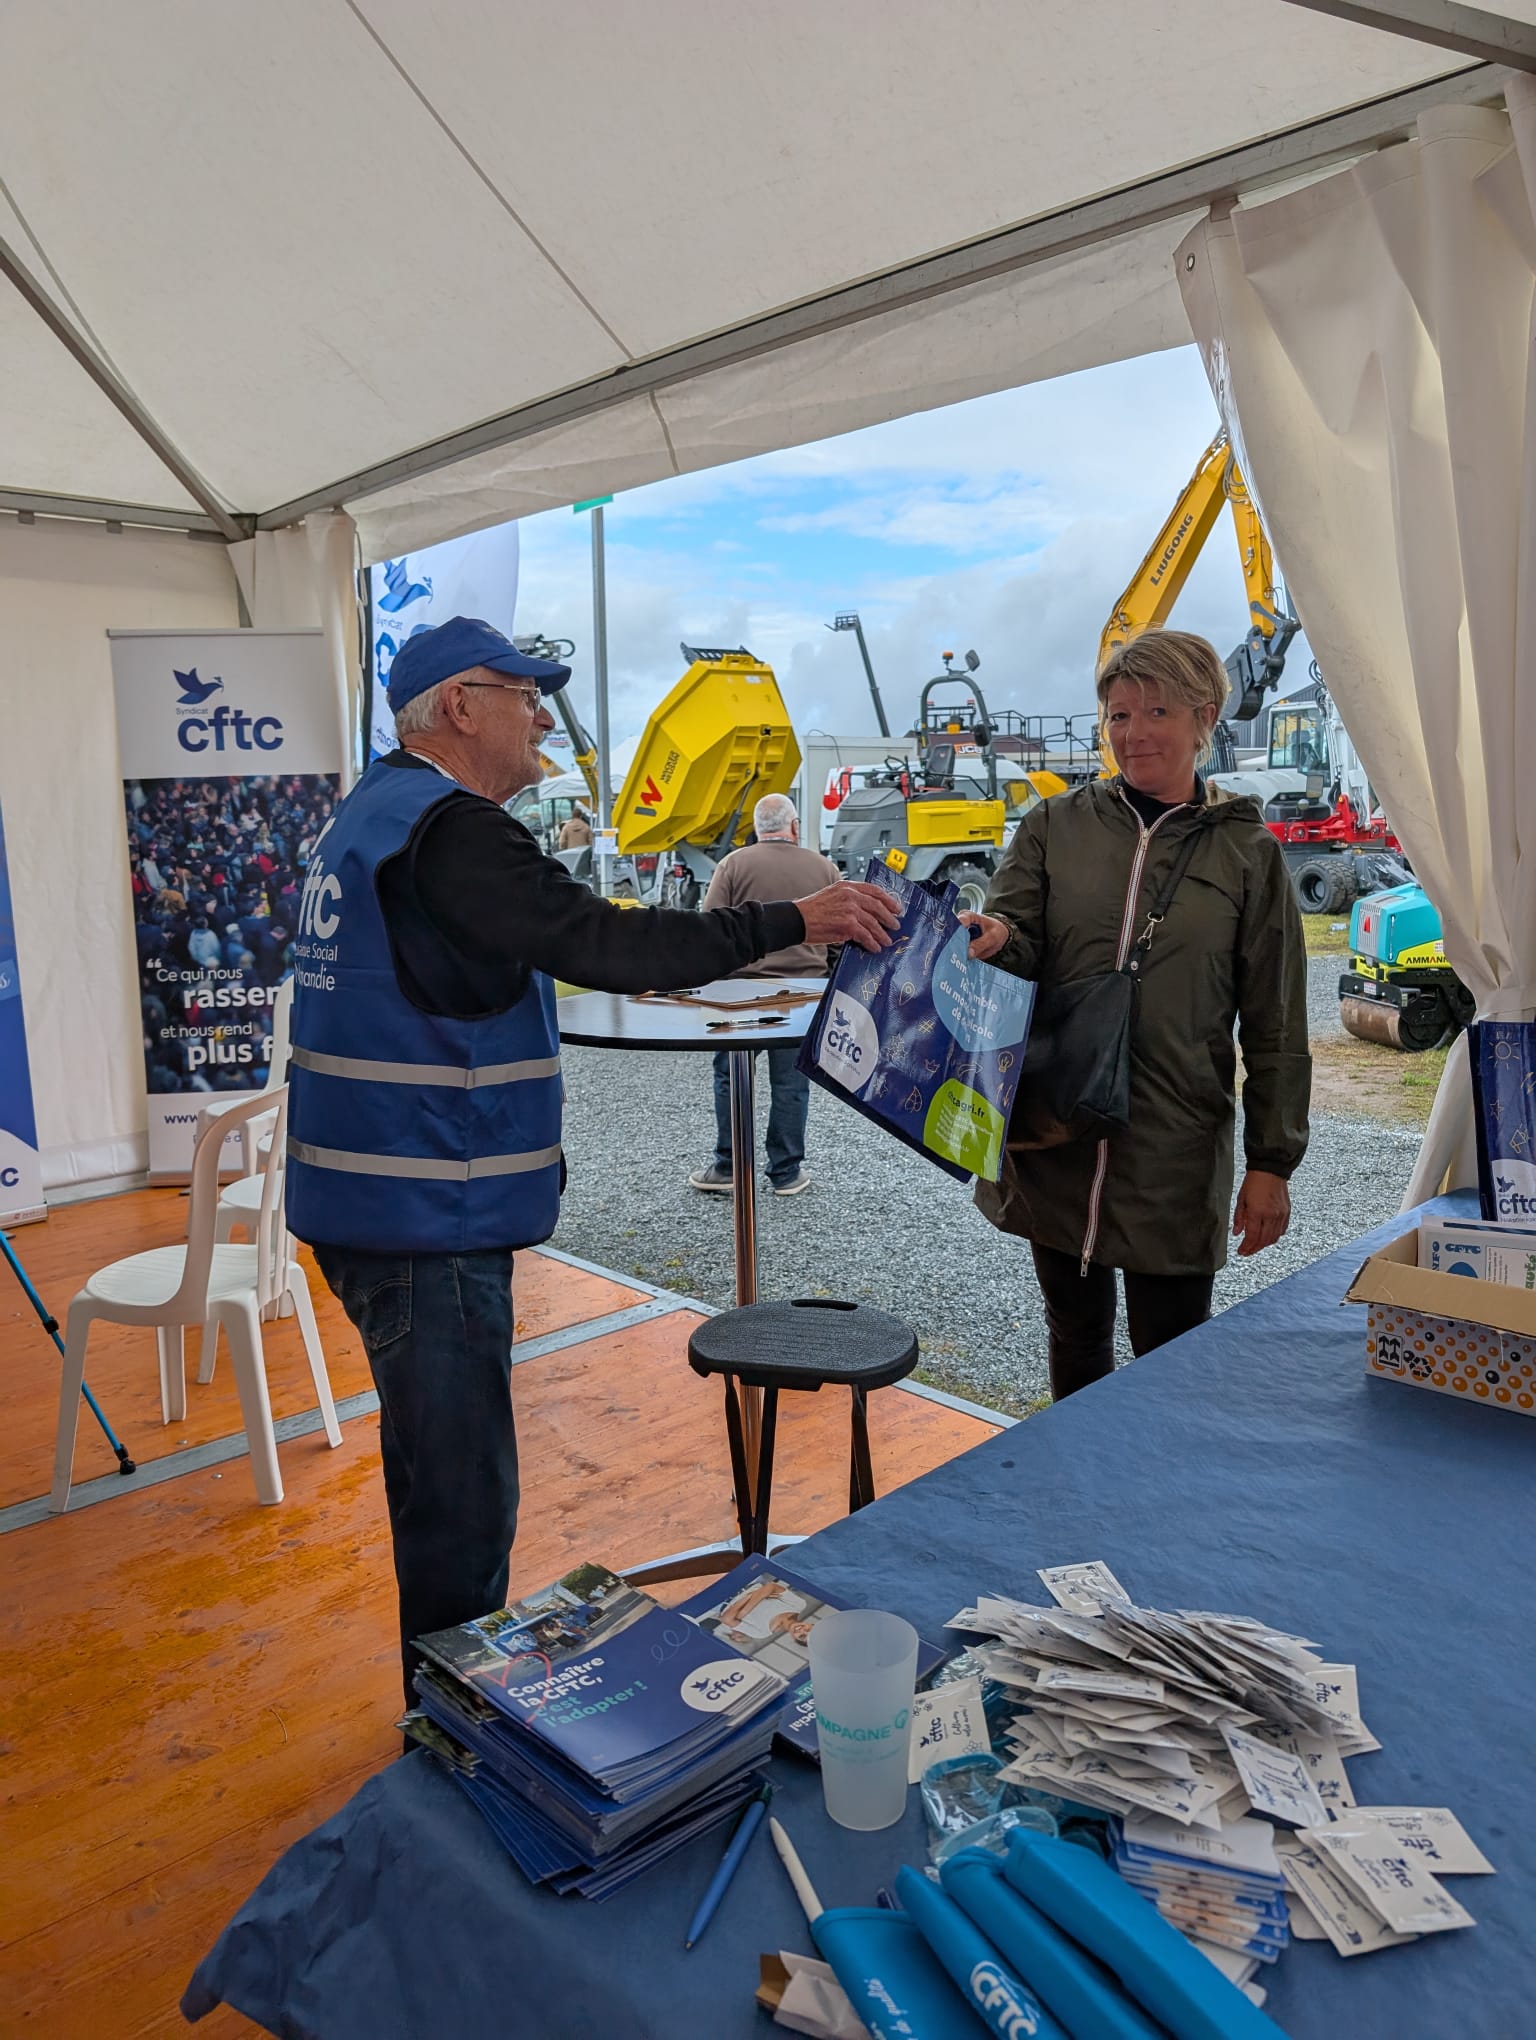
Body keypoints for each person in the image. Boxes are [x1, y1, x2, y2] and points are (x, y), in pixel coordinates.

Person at [283, 616, 900, 1708]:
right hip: (427, 1214)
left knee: (433, 1474)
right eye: (523, 695)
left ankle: (447, 1708)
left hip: (369, 1196)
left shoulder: (371, 815)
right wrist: (796, 918)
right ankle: (454, 1733)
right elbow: (610, 945)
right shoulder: (454, 832)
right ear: (459, 706)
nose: (542, 717)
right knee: (462, 1502)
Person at [961, 628, 1310, 1403]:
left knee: (1171, 1360)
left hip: (1171, 1150)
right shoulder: (1055, 826)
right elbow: (1019, 939)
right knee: (1073, 1334)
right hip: (1057, 1136)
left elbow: (1278, 1020)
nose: (1134, 733)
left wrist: (1272, 1162)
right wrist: (996, 938)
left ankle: (1161, 1484)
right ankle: (1075, 1478)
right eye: (1119, 715)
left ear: (1204, 717)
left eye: (1157, 711)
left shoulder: (1247, 852)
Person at [687, 792, 842, 1199]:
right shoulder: (824, 868)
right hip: (804, 995)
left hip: (740, 996)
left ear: (758, 829)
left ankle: (728, 1166)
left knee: (731, 1077)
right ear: (794, 826)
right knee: (791, 1084)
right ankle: (786, 1172)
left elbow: (710, 930)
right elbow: (841, 938)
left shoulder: (733, 865)